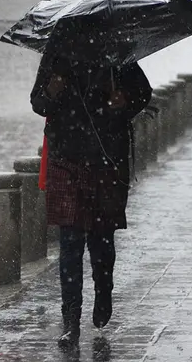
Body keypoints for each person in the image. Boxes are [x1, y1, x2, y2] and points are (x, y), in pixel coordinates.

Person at [30, 52, 151, 350]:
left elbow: (143, 94)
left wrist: (123, 103)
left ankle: (103, 289)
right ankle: (70, 322)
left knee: (101, 239)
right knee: (70, 244)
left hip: (106, 160)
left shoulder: (117, 57)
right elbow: (38, 103)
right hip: (66, 159)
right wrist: (51, 91)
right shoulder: (57, 59)